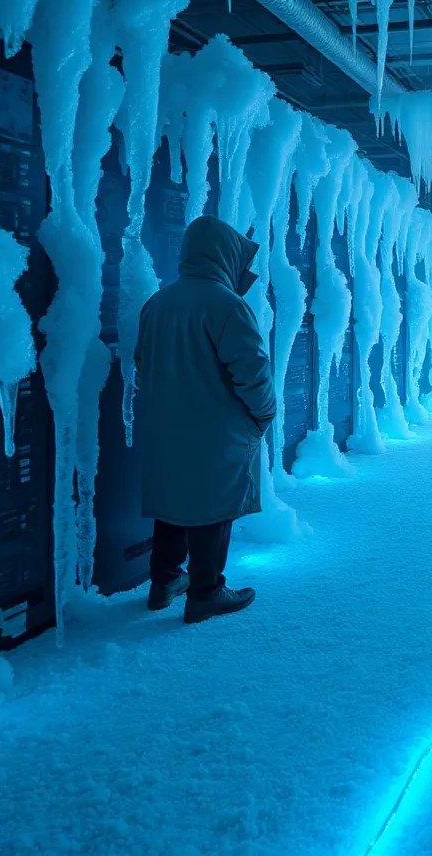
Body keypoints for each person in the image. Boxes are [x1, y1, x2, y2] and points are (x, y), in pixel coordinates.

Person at [134, 215, 276, 624]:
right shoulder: (227, 304)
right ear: (224, 255)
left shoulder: (158, 302)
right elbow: (252, 370)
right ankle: (206, 592)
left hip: (166, 427)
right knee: (214, 505)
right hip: (216, 429)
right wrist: (263, 415)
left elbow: (142, 364)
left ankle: (164, 582)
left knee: (174, 501)